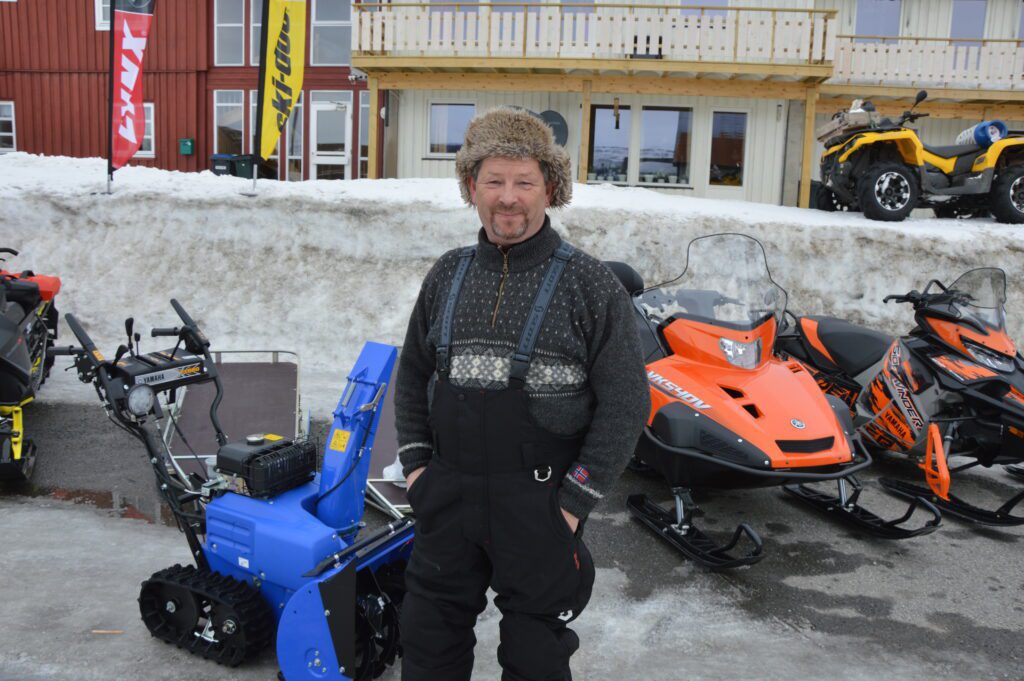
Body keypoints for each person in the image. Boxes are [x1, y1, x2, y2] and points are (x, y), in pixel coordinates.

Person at [394, 106, 649, 681]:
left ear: (550, 188)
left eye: (524, 182)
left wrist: (573, 501)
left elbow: (628, 402)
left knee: (536, 659)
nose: (508, 198)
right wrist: (417, 470)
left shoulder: (589, 284)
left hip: (539, 503)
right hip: (449, 496)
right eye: (494, 181)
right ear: (471, 187)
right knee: (427, 644)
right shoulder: (447, 274)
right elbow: (411, 374)